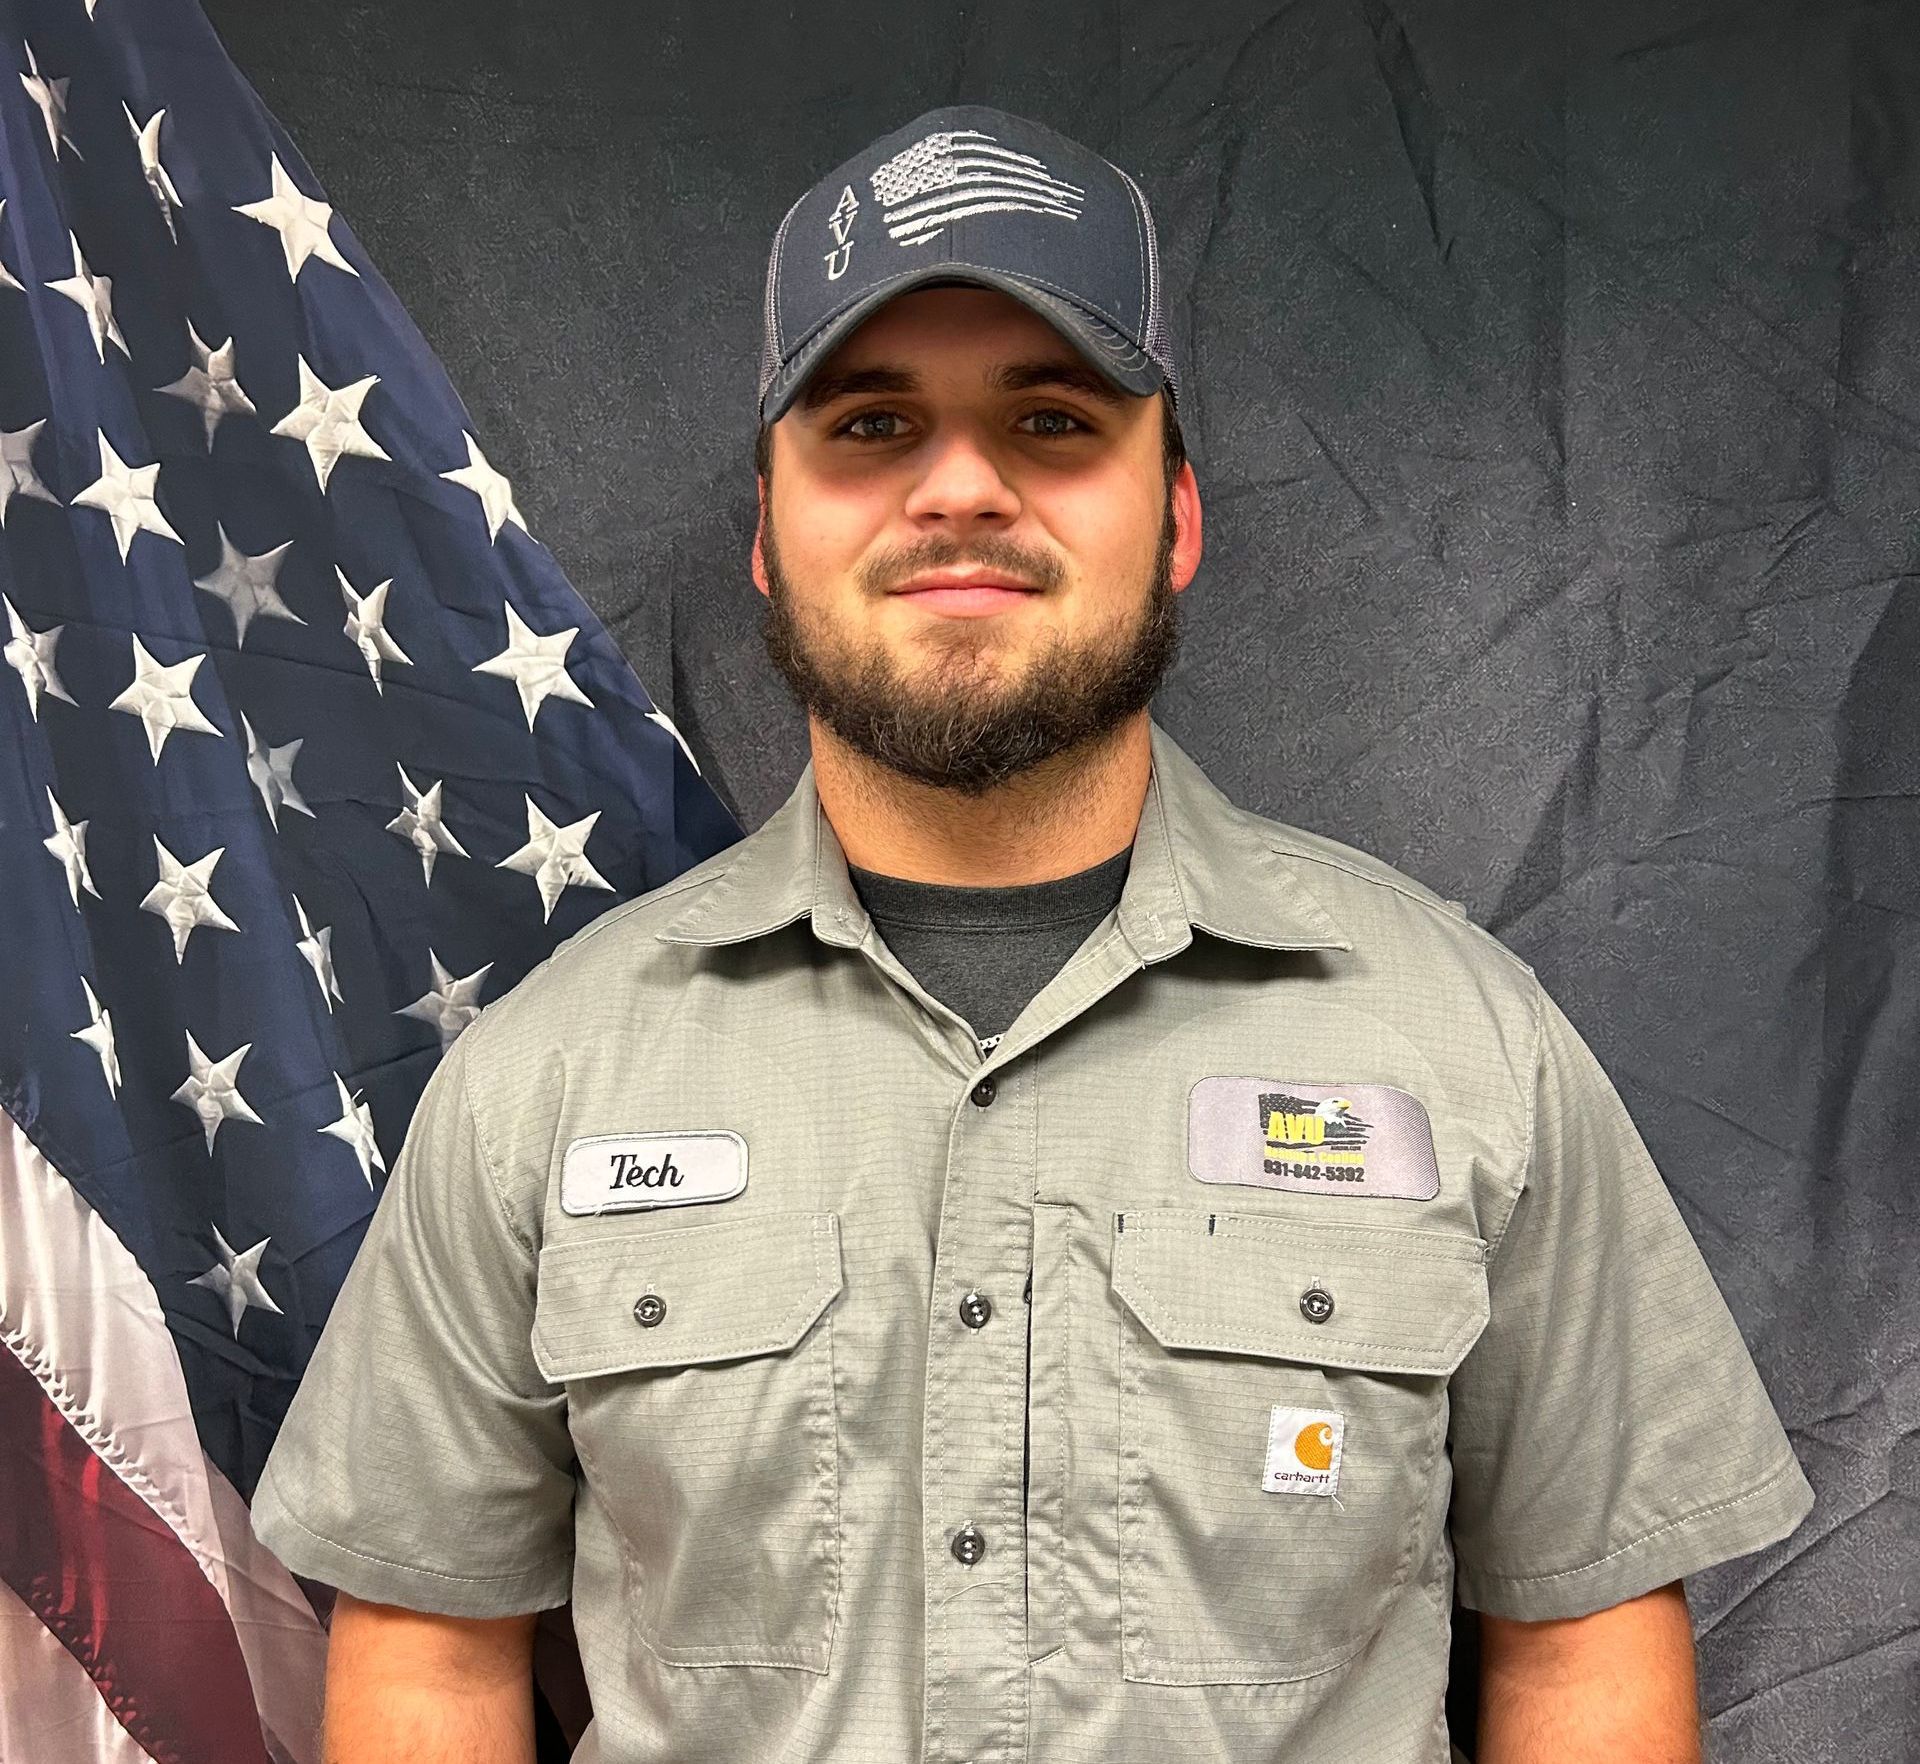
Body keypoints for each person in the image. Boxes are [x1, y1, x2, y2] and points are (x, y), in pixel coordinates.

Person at [252, 104, 1815, 1764]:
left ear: (1180, 521)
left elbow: (1583, 1642)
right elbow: (430, 1651)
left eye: (1053, 420)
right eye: (870, 425)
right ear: (770, 547)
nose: (961, 489)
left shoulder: (1459, 1047)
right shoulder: (550, 1077)